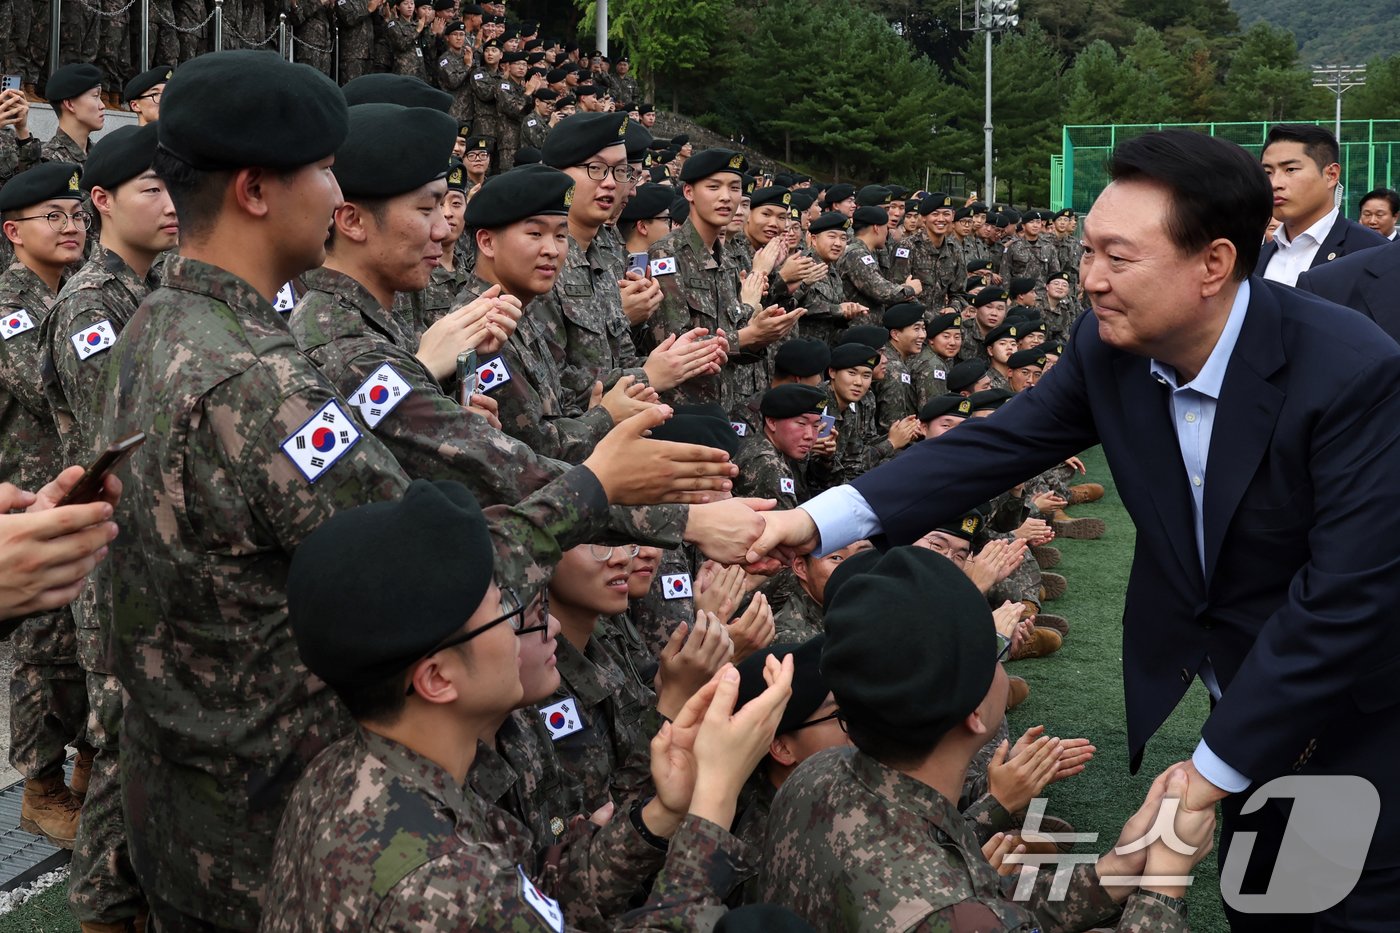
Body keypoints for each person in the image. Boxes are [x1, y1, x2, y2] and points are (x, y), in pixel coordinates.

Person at [750, 128, 1400, 930]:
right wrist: (815, 522)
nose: (1088, 279)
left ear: (1214, 263)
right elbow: (1003, 439)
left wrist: (1210, 768)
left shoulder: (1350, 370)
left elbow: (1344, 596)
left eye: (1117, 258)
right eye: (1087, 250)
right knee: (1260, 898)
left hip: (1351, 711)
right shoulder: (1110, 344)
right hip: (1244, 697)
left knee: (1331, 906)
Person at [89, 51, 424, 932]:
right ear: (254, 190)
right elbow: (412, 569)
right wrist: (595, 489)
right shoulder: (257, 378)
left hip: (180, 801)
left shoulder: (153, 325)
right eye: (322, 169)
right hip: (269, 825)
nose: (336, 189)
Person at [266, 479, 792, 931]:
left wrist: (658, 816)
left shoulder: (351, 771)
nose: (545, 630)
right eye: (504, 612)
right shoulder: (437, 885)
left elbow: (534, 896)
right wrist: (713, 801)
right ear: (437, 678)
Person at [758, 547, 1208, 930]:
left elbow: (985, 900)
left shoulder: (817, 775)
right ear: (974, 713)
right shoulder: (944, 913)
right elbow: (962, 908)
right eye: (993, 654)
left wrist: (1117, 869)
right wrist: (1163, 886)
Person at [37, 124, 174, 931]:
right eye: (149, 191)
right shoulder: (92, 304)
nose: (169, 206)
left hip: (156, 551)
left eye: (171, 189)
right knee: (123, 749)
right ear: (102, 201)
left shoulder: (155, 287)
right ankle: (99, 913)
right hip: (117, 559)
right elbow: (120, 438)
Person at [0, 162, 92, 851]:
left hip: (68, 492)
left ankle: (84, 763)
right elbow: (44, 385)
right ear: (12, 232)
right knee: (42, 653)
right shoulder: (12, 305)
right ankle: (40, 786)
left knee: (79, 642)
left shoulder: (70, 295)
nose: (70, 227)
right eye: (52, 218)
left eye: (75, 215)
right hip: (25, 498)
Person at [1256, 123, 1385, 285]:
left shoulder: (1374, 253)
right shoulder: (1256, 257)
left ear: (1331, 175)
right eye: (1267, 172)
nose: (1275, 183)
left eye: (1290, 169)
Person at [41, 65, 104, 164]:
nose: (102, 105)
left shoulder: (100, 156)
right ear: (70, 104)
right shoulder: (49, 161)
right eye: (95, 96)